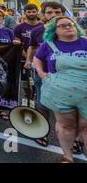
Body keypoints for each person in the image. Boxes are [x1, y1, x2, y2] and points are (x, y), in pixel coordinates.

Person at [34, 16, 87, 163]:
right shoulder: (48, 45)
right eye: (63, 26)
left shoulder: (85, 42)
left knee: (86, 127)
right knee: (66, 125)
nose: (68, 27)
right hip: (60, 94)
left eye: (71, 24)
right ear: (54, 31)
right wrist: (41, 73)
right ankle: (68, 157)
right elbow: (37, 58)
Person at [24, 1, 65, 147]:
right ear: (43, 15)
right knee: (42, 104)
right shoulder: (37, 31)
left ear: (63, 14)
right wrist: (28, 60)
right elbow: (32, 47)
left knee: (67, 107)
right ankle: (43, 131)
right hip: (43, 74)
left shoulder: (71, 29)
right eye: (49, 12)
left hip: (66, 76)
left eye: (57, 12)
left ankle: (74, 139)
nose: (53, 15)